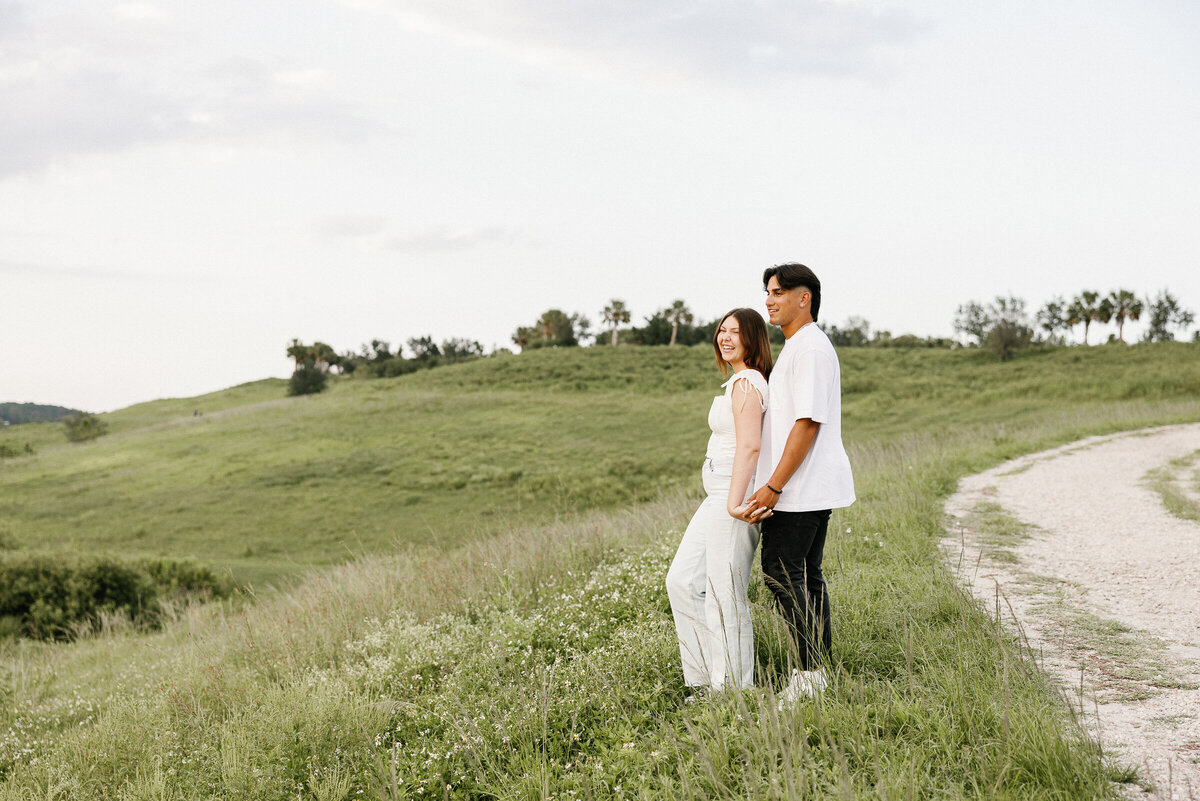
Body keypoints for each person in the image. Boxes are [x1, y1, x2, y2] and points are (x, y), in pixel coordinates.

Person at [740, 263, 855, 706]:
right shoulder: (798, 347)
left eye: (778, 292)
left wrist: (773, 486)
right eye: (767, 292)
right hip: (804, 487)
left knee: (784, 575)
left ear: (803, 297)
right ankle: (816, 673)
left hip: (800, 488)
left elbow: (807, 424)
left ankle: (808, 676)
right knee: (805, 577)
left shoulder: (810, 349)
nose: (769, 300)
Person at [666, 308, 774, 699]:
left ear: (752, 338)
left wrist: (733, 502)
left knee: (724, 591)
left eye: (735, 331)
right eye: (721, 330)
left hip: (734, 496)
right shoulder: (738, 382)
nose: (725, 337)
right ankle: (702, 679)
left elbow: (751, 445)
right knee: (681, 581)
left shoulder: (747, 383)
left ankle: (731, 691)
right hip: (719, 495)